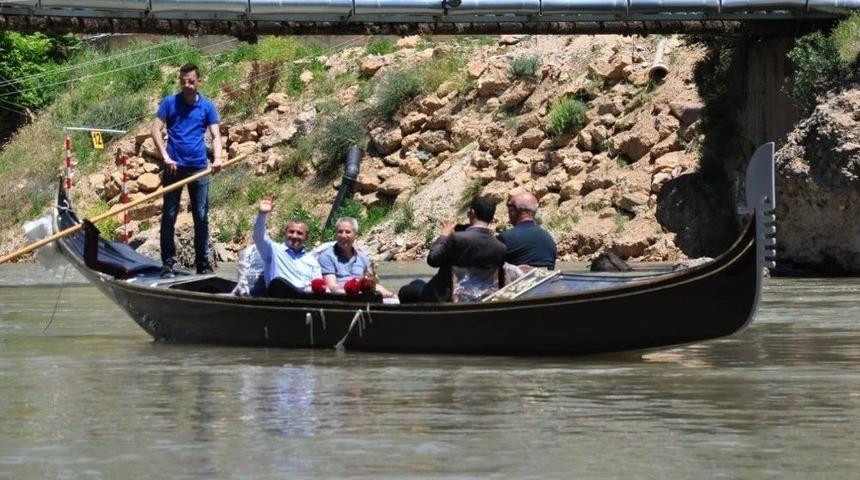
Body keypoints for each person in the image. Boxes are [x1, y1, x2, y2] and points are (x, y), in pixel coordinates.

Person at [152, 63, 222, 278]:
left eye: (191, 81)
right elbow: (155, 129)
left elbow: (216, 135)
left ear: (199, 81)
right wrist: (165, 156)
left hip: (198, 169)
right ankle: (167, 264)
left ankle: (202, 264)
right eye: (183, 81)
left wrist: (218, 158)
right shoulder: (169, 103)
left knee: (201, 216)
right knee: (170, 215)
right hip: (173, 168)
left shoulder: (208, 106)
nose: (187, 85)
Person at [398, 196, 507, 303]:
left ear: (471, 212)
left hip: (444, 297)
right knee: (417, 283)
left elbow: (433, 260)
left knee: (405, 291)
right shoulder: (500, 247)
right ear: (492, 217)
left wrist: (444, 236)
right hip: (478, 297)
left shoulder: (457, 238)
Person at [253, 197, 322, 298]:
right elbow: (259, 237)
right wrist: (262, 214)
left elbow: (318, 285)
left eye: (299, 233)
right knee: (279, 283)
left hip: (304, 300)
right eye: (291, 232)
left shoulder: (311, 261)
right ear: (284, 234)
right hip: (279, 298)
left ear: (306, 238)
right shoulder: (273, 251)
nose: (294, 236)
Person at [317, 217, 395, 298]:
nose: (343, 236)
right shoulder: (327, 257)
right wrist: (356, 294)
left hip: (362, 297)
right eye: (340, 232)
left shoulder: (362, 257)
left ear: (355, 236)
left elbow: (373, 285)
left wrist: (392, 296)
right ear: (336, 234)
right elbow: (332, 287)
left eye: (347, 232)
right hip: (340, 299)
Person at [498, 192, 557, 270]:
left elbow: (490, 270)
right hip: (544, 281)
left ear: (515, 210)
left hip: (517, 282)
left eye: (509, 207)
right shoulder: (549, 239)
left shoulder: (505, 238)